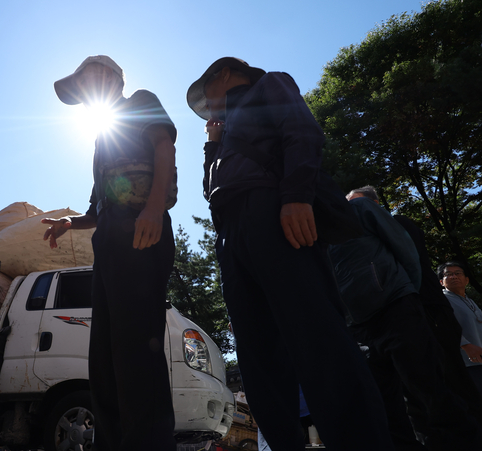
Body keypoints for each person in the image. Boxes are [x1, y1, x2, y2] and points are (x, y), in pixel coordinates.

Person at [185, 57, 394, 451]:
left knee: (317, 335)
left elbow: (302, 133)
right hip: (232, 234)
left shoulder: (270, 86)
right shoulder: (224, 132)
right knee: (256, 352)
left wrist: (296, 196)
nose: (206, 106)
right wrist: (212, 146)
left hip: (275, 211)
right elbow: (211, 191)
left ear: (225, 74)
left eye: (206, 93)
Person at [44, 55, 177, 451]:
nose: (85, 90)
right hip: (110, 242)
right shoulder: (102, 136)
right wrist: (70, 224)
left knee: (137, 348)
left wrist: (154, 209)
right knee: (104, 357)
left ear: (110, 77)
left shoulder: (140, 100)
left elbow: (164, 146)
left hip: (141, 229)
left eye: (88, 79)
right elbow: (96, 208)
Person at [329, 190, 481, 450]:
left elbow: (405, 249)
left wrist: (404, 293)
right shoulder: (312, 234)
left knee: (429, 388)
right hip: (358, 327)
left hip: (396, 308)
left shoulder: (360, 210)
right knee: (389, 403)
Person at [439, 261, 482, 396]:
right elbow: (441, 325)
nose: (454, 277)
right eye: (448, 274)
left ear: (467, 280)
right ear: (441, 282)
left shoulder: (470, 301)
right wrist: (465, 345)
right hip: (463, 363)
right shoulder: (442, 300)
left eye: (458, 273)